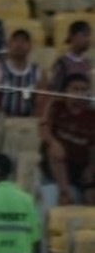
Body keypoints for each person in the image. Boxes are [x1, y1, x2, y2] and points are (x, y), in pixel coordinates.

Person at [40, 74, 95, 206]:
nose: (80, 93)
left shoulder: (92, 114)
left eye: (84, 89)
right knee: (56, 152)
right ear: (66, 91)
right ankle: (64, 193)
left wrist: (91, 168)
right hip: (57, 166)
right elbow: (44, 128)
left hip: (81, 166)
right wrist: (53, 142)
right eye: (75, 89)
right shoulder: (57, 107)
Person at [50, 21, 91, 94]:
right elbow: (55, 91)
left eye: (88, 35)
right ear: (72, 37)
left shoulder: (87, 63)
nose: (88, 39)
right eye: (84, 35)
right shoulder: (62, 63)